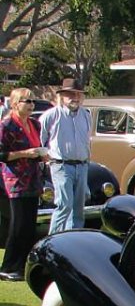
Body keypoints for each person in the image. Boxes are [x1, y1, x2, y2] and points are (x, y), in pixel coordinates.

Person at [0, 88, 50, 280]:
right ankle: (8, 266)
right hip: (15, 179)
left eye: (32, 101)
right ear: (15, 104)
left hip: (33, 178)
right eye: (26, 101)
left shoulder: (34, 124)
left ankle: (23, 265)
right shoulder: (6, 125)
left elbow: (35, 148)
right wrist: (24, 154)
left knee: (29, 225)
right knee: (18, 224)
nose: (31, 105)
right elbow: (2, 154)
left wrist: (41, 155)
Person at [39, 78, 91, 234]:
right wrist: (44, 158)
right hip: (61, 165)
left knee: (78, 209)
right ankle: (53, 241)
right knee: (64, 205)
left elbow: (87, 141)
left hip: (82, 166)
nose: (75, 98)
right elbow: (39, 139)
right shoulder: (51, 115)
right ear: (62, 96)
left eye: (78, 94)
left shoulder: (86, 115)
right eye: (71, 94)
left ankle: (73, 240)